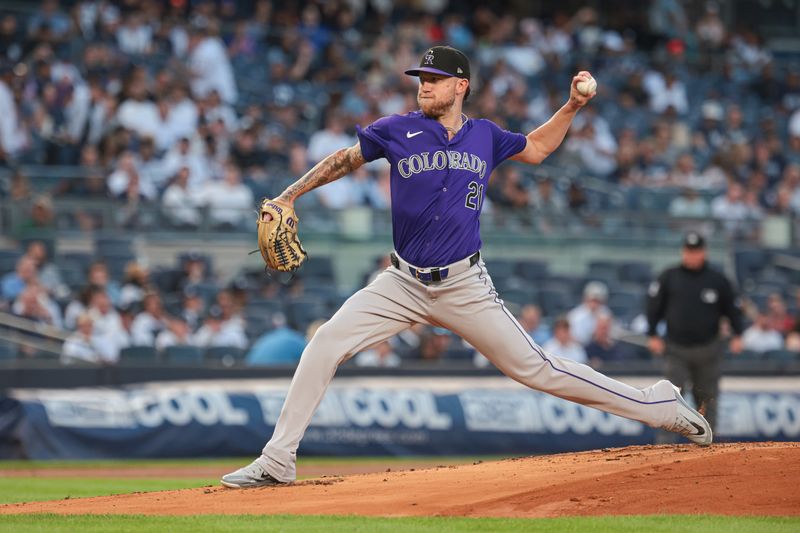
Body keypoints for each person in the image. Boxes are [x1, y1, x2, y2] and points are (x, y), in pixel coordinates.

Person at [222, 45, 712, 489]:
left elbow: (537, 149)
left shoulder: (486, 136)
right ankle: (278, 459)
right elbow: (345, 160)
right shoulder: (398, 129)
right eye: (420, 78)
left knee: (539, 370)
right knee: (325, 343)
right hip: (401, 281)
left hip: (464, 284)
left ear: (461, 86)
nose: (424, 86)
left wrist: (571, 107)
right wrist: (290, 193)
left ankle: (659, 404)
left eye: (434, 78)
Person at [646, 230, 744, 432]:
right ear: (683, 252)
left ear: (704, 252)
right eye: (689, 251)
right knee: (669, 398)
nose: (692, 255)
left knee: (707, 400)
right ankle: (664, 448)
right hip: (676, 350)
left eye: (696, 251)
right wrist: (652, 334)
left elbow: (732, 309)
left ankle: (708, 447)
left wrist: (738, 334)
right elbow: (653, 306)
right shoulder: (669, 277)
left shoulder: (717, 280)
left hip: (708, 349)